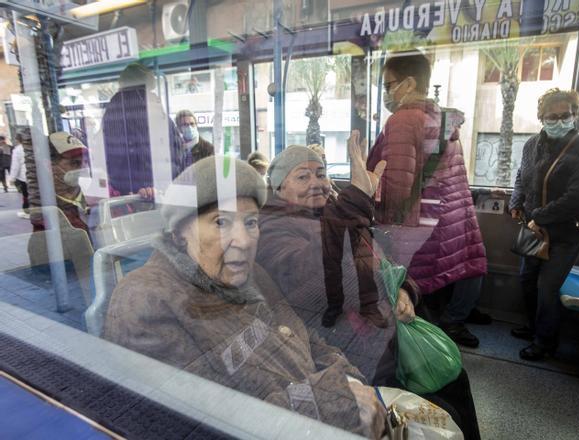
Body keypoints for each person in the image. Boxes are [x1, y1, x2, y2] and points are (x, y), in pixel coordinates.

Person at [103, 156, 386, 439]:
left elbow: (306, 338)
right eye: (221, 222)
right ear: (180, 234)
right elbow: (201, 424)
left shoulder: (251, 274)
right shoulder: (146, 303)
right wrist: (337, 401)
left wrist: (350, 383)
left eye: (250, 222)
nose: (244, 240)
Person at [257, 136, 481, 439]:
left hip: (385, 332)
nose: (316, 182)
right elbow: (316, 272)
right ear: (279, 187)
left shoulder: (336, 212)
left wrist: (405, 291)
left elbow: (382, 263)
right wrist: (355, 198)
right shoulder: (272, 228)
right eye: (302, 176)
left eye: (320, 174)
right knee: (438, 411)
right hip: (348, 348)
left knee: (453, 384)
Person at [365, 51, 488, 348]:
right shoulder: (443, 119)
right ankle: (447, 329)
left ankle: (419, 358)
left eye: (388, 84)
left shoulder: (404, 119)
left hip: (417, 229)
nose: (386, 92)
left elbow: (396, 184)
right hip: (448, 223)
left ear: (408, 83)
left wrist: (380, 222)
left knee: (412, 307)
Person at [509, 88, 579, 361]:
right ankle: (533, 326)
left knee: (547, 287)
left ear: (574, 116)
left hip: (567, 231)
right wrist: (516, 202)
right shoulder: (531, 145)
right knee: (527, 279)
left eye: (566, 115)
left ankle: (545, 341)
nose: (560, 121)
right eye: (553, 116)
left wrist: (539, 215)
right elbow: (521, 176)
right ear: (542, 117)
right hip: (535, 227)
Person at [27, 132, 94, 305]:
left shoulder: (79, 198)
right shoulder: (46, 215)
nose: (82, 168)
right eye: (74, 163)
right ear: (49, 166)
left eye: (84, 162)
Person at [102, 63, 185, 196]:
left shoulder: (113, 108)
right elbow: (175, 149)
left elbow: (107, 152)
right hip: (157, 189)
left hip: (123, 190)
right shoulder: (153, 105)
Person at [9, 130, 29, 219]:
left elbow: (15, 166)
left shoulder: (17, 150)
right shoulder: (35, 147)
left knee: (26, 194)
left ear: (18, 139)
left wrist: (12, 179)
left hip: (25, 175)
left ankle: (27, 212)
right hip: (37, 175)